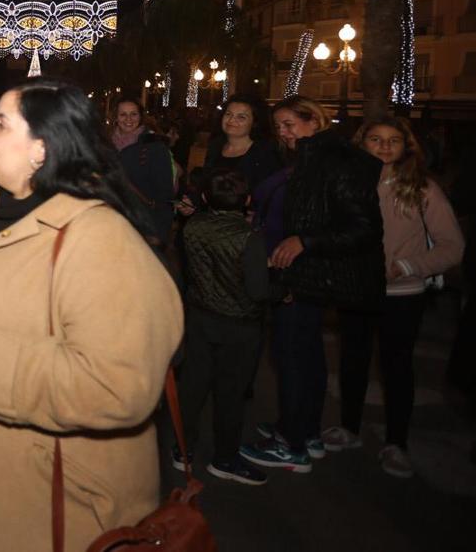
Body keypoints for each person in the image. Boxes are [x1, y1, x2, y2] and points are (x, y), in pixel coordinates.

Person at [0, 79, 183, 552]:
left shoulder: (99, 239)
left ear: (43, 149)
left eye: (1, 124)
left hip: (30, 501)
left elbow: (116, 385)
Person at [240, 95, 384, 475]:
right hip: (302, 273)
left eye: (290, 124)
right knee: (304, 355)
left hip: (308, 275)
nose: (283, 133)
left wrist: (304, 241)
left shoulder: (332, 161)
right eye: (279, 127)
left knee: (292, 355)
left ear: (314, 122)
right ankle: (304, 430)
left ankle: (292, 445)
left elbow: (363, 227)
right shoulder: (310, 158)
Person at [323, 117, 464, 478]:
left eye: (393, 140)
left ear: (406, 146)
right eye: (376, 139)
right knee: (353, 362)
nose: (385, 147)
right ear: (362, 144)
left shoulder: (422, 189)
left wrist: (406, 265)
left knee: (397, 369)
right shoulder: (347, 185)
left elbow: (452, 246)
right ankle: (349, 428)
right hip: (356, 291)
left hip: (402, 295)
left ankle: (396, 443)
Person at [176, 168, 270, 486]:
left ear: (204, 197)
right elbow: (258, 290)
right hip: (239, 326)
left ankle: (183, 450)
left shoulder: (192, 226)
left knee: (193, 386)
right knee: (230, 394)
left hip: (200, 318)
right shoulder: (249, 238)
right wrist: (282, 289)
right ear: (246, 200)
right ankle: (225, 458)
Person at [111, 97, 177, 247]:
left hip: (143, 225)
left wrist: (159, 232)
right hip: (112, 224)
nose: (128, 119)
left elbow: (165, 193)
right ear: (115, 117)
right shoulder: (105, 145)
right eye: (123, 114)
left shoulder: (154, 146)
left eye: (133, 114)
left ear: (141, 117)